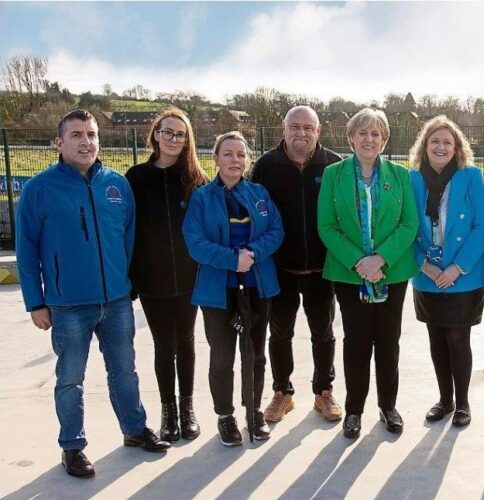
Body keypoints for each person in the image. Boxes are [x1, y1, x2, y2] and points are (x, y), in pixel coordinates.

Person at [16, 109, 170, 478]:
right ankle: (73, 446)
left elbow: (128, 237)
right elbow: (27, 248)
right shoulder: (40, 188)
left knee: (125, 372)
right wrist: (35, 301)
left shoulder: (116, 184)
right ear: (59, 142)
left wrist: (124, 281)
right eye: (77, 135)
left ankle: (134, 430)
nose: (86, 141)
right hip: (68, 305)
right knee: (71, 379)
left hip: (116, 300)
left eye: (92, 134)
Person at [317, 108, 418, 439]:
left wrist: (382, 260)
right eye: (362, 132)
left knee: (388, 342)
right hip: (350, 274)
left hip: (392, 272)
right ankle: (354, 410)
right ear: (351, 137)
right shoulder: (334, 174)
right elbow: (327, 226)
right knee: (357, 343)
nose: (369, 139)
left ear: (384, 139)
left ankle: (388, 406)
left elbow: (409, 223)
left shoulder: (400, 175)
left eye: (376, 133)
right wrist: (360, 261)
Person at [182, 131, 284, 446]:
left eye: (241, 154)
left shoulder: (259, 194)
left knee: (255, 355)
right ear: (215, 158)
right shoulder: (201, 198)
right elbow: (195, 242)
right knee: (223, 357)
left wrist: (251, 253)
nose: (235, 160)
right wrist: (231, 259)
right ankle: (225, 417)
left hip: (257, 287)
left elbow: (276, 231)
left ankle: (253, 412)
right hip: (218, 292)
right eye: (228, 153)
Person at [249, 106, 343, 423]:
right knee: (280, 335)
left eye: (308, 127)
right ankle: (282, 393)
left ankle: (324, 392)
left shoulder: (334, 165)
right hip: (280, 269)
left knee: (324, 334)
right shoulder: (264, 167)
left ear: (318, 131)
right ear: (284, 128)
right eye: (295, 126)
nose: (301, 133)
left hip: (322, 269)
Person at [126, 108, 208, 442]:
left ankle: (187, 409)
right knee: (163, 344)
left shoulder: (196, 181)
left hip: (190, 279)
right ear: (156, 135)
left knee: (186, 341)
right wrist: (131, 277)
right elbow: (128, 231)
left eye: (180, 134)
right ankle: (168, 410)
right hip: (152, 280)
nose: (174, 139)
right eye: (168, 132)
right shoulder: (135, 178)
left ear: (187, 140)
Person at [408, 116, 484, 428]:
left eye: (447, 141)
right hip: (427, 274)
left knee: (458, 339)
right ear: (425, 146)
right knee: (436, 338)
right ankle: (445, 400)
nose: (440, 146)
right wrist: (424, 265)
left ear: (457, 147)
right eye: (434, 141)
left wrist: (457, 268)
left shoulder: (470, 176)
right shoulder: (412, 179)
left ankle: (463, 403)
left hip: (464, 275)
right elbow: (406, 227)